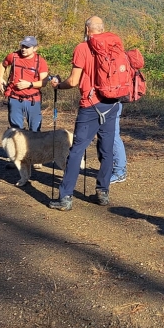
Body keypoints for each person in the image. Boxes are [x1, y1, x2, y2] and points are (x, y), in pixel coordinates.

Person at [49, 16, 129, 210]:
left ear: (87, 30)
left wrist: (58, 85)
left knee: (76, 150)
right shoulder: (116, 48)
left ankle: (65, 197)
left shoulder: (82, 48)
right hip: (112, 104)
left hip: (90, 105)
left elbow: (74, 81)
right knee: (106, 150)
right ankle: (103, 192)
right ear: (102, 29)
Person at [0, 36, 50, 131]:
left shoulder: (40, 62)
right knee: (16, 131)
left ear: (35, 48)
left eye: (27, 47)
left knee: (35, 131)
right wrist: (0, 78)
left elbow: (44, 82)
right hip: (15, 98)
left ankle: (32, 146)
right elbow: (3, 64)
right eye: (22, 46)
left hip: (33, 100)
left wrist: (29, 84)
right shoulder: (13, 56)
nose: (23, 49)